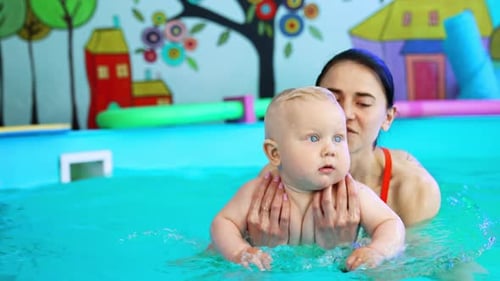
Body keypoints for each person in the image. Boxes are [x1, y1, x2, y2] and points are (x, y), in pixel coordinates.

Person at [246, 48, 441, 249]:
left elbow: (416, 270)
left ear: (388, 117)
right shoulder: (277, 178)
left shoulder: (413, 190)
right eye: (334, 100)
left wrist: (343, 248)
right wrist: (262, 246)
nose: (346, 113)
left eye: (363, 103)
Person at [210, 86, 405, 271]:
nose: (330, 150)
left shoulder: (354, 194)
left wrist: (376, 251)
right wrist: (240, 251)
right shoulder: (257, 192)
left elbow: (390, 224)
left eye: (338, 138)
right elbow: (223, 223)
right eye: (314, 138)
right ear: (275, 153)